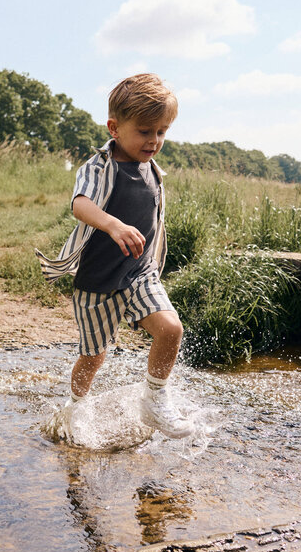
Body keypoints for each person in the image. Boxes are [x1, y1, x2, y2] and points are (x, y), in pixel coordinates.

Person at [35, 73, 193, 439]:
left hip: (140, 275)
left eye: (162, 132)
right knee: (94, 356)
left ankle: (154, 401)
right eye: (145, 131)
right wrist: (113, 225)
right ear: (115, 128)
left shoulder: (153, 170)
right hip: (96, 283)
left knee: (171, 329)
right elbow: (80, 204)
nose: (154, 141)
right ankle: (76, 407)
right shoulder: (98, 167)